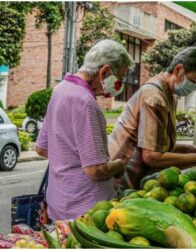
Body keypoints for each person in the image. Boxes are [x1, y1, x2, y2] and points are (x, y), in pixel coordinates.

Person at [35, 40, 134, 221]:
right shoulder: (84, 101)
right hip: (84, 211)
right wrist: (119, 164)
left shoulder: (61, 89)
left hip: (58, 202)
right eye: (120, 77)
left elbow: (42, 148)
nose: (120, 84)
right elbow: (95, 170)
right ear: (104, 71)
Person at [109, 47, 196, 190]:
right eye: (194, 80)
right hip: (122, 179)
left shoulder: (169, 96)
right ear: (178, 70)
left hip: (138, 178)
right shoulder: (155, 97)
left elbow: (159, 143)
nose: (194, 87)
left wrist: (189, 149)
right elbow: (152, 156)